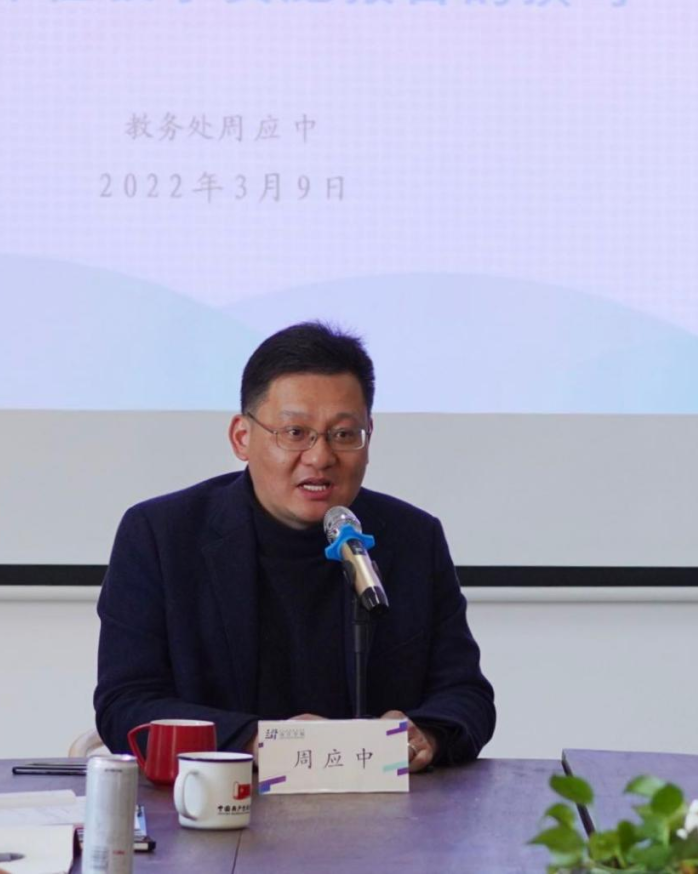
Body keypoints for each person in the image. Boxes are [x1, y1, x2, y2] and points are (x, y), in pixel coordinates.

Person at [94, 322, 495, 771]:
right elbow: (126, 704)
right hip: (217, 798)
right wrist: (263, 742)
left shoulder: (413, 538)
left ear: (368, 436)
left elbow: (466, 694)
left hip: (381, 804)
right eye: (295, 433)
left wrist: (428, 733)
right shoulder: (161, 535)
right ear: (242, 437)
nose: (320, 457)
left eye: (344, 434)